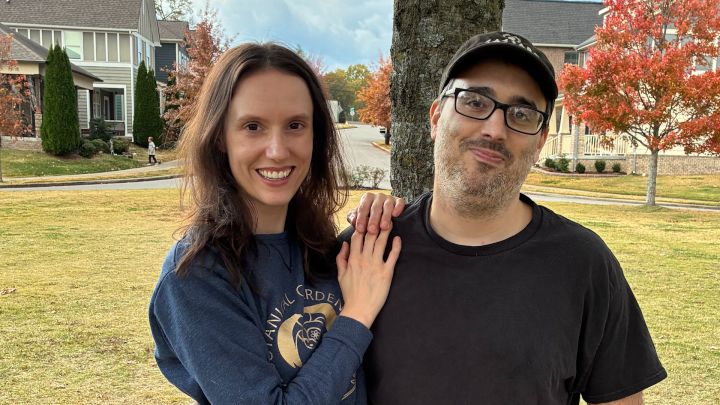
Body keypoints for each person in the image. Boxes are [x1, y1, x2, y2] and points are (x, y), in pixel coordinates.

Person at [347, 32, 666, 405]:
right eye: (474, 102)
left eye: (521, 114)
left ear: (541, 140)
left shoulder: (583, 264)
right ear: (436, 117)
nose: (494, 130)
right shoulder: (367, 250)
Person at [148, 43, 402, 404]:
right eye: (253, 127)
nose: (278, 150)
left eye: (295, 125)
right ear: (220, 136)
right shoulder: (195, 277)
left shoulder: (323, 250)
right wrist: (356, 315)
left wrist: (378, 220)